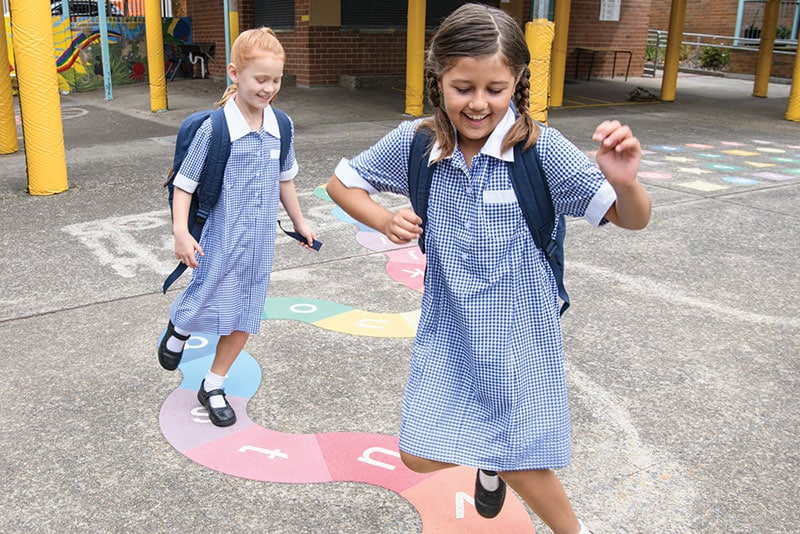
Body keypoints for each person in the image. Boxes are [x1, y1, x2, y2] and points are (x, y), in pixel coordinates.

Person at [326, 4, 651, 533]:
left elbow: (629, 219)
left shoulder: (539, 149)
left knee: (521, 453)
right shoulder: (419, 143)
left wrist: (627, 182)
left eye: (495, 89)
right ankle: (489, 458)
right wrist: (383, 219)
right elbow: (343, 182)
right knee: (417, 454)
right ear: (439, 80)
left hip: (521, 330)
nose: (478, 104)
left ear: (517, 81)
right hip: (449, 327)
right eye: (463, 88)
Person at [158, 27, 316, 427]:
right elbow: (184, 183)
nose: (269, 88)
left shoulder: (282, 125)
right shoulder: (216, 128)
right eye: (261, 79)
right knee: (205, 294)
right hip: (219, 236)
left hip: (260, 241)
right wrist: (181, 232)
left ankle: (213, 384)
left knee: (246, 312)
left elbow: (285, 178)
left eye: (276, 80)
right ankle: (179, 324)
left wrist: (300, 222)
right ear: (234, 73)